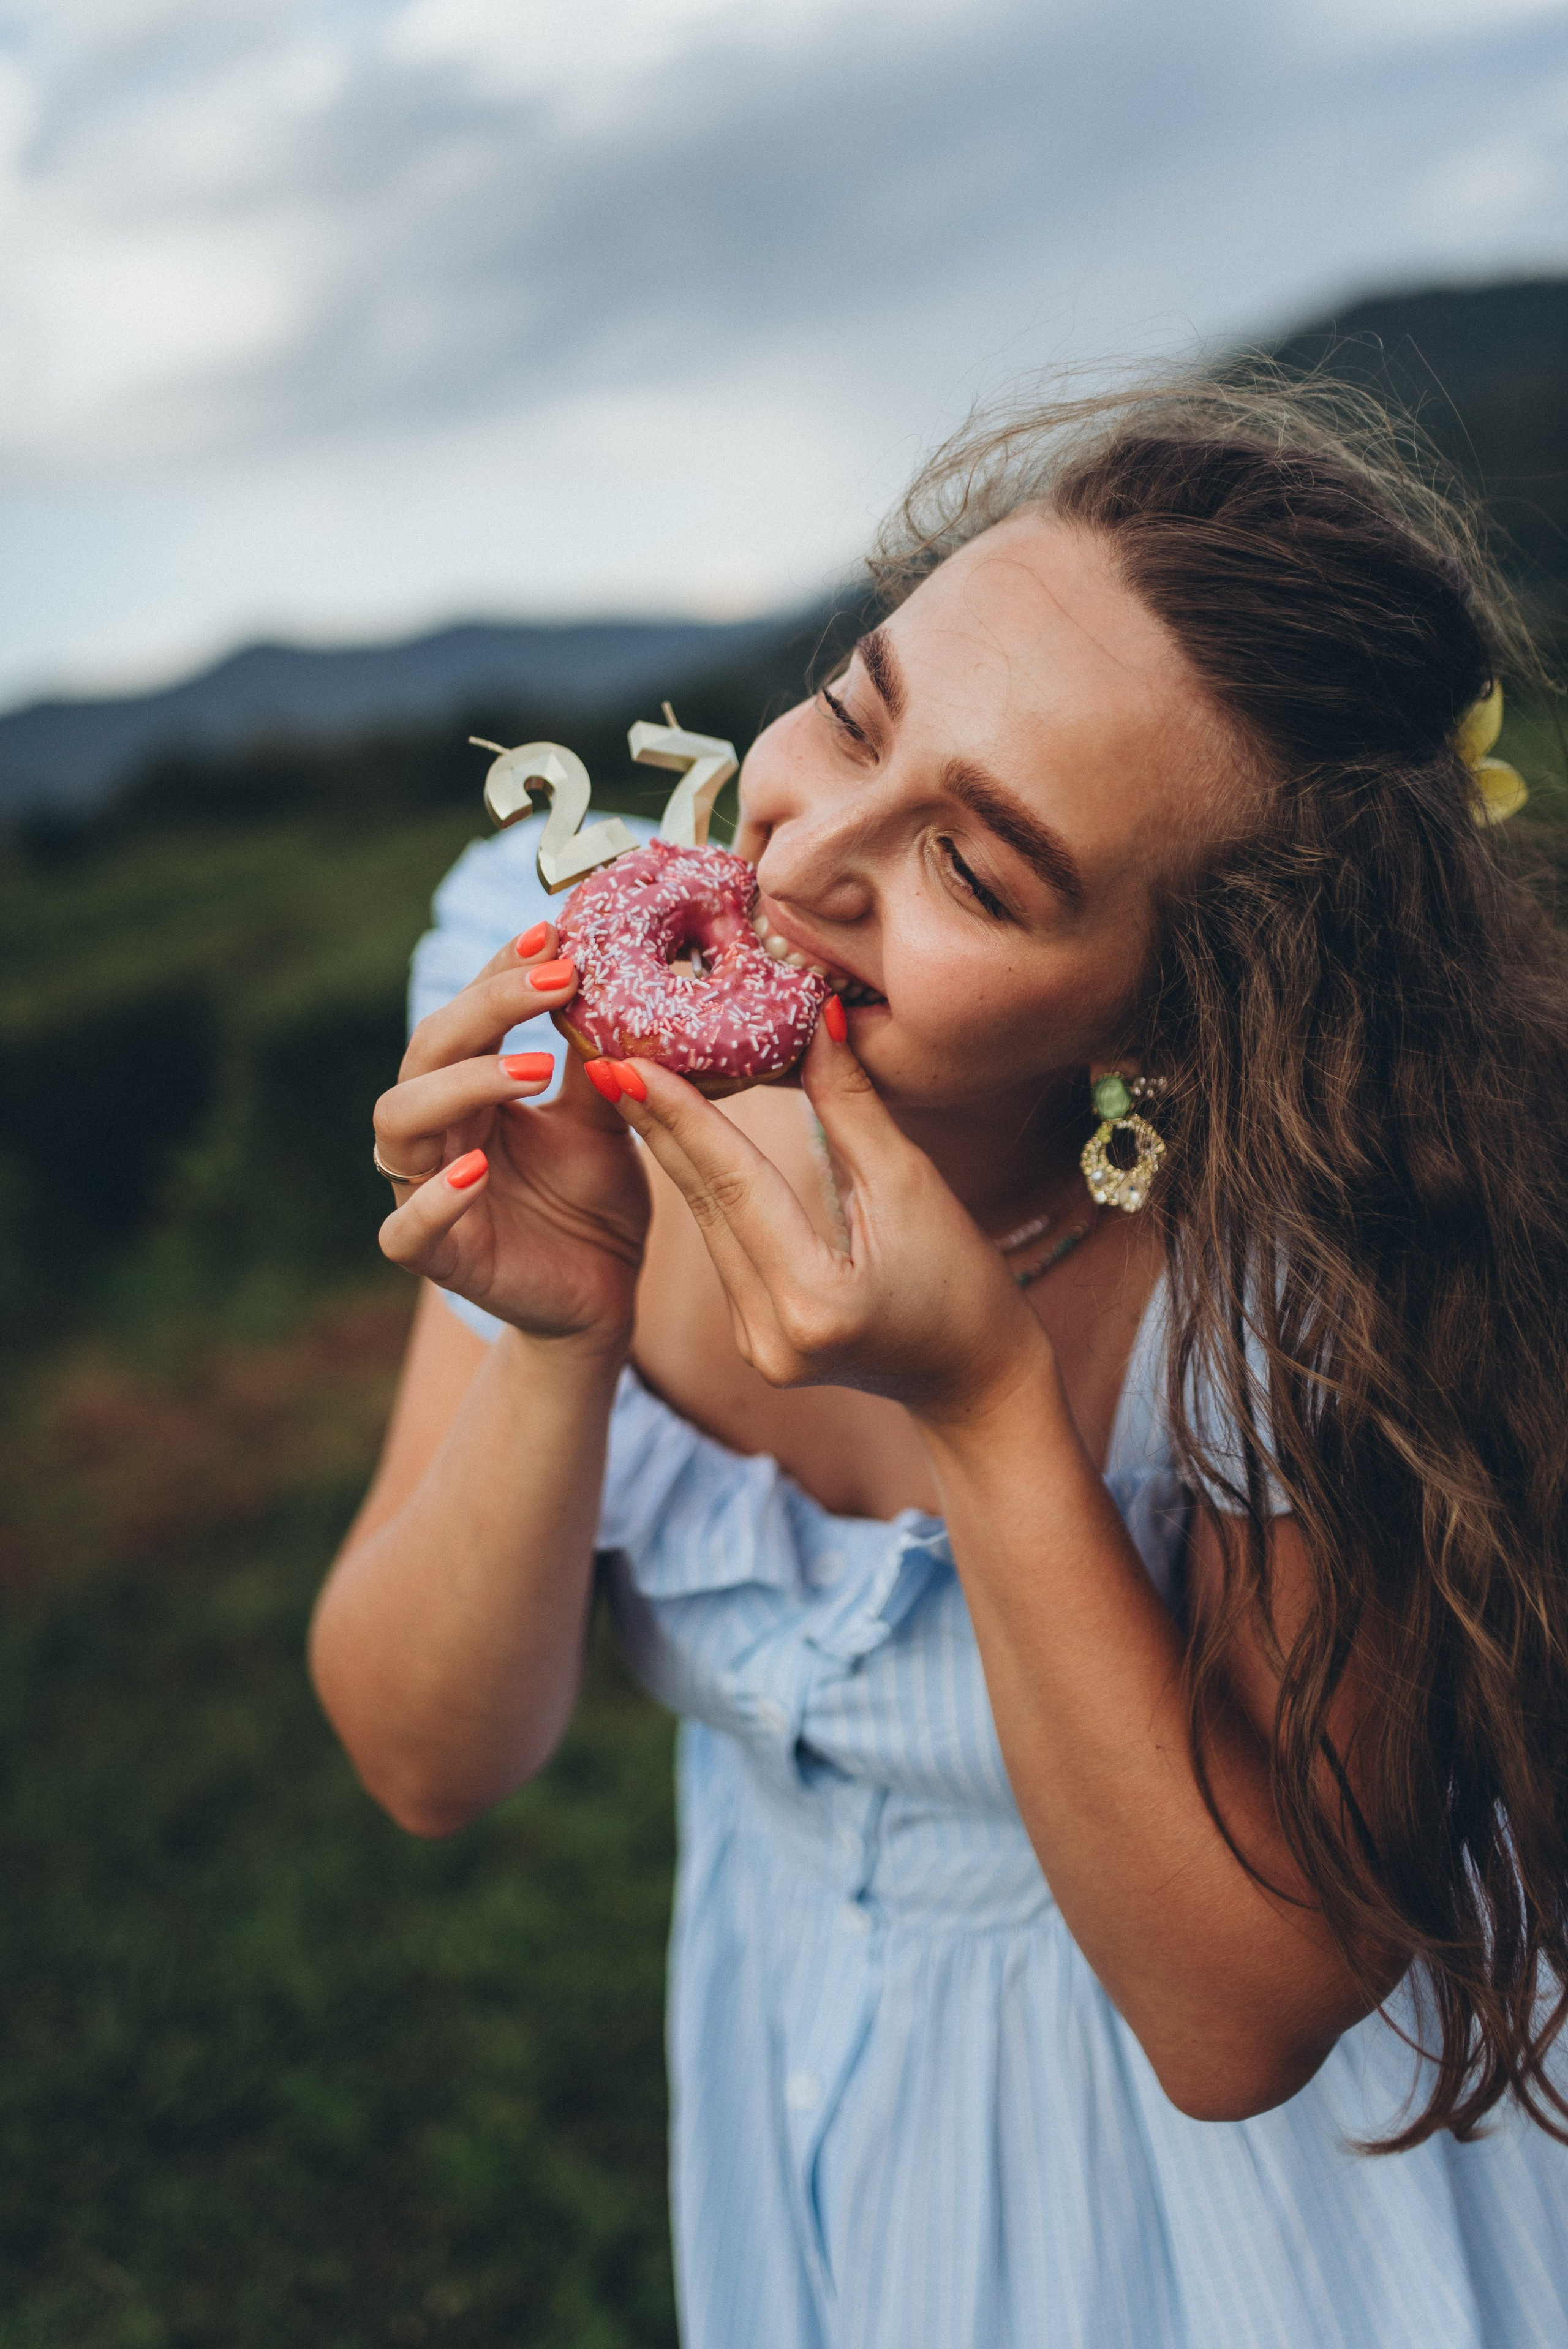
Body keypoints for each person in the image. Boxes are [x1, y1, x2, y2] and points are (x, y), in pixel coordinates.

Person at [309, 374, 1568, 2348]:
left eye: (980, 874)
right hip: (813, 2091)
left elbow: (1237, 2017)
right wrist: (559, 1327)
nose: (807, 863)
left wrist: (983, 1405)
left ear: (1173, 1018)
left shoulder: (1314, 1258)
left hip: (1281, 2239)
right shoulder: (551, 999)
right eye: (860, 712)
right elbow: (426, 1754)